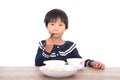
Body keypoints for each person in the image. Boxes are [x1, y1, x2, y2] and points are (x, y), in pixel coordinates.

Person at [35, 9, 105, 70]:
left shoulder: (70, 46)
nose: (56, 28)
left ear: (66, 27)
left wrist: (91, 63)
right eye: (52, 24)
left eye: (60, 25)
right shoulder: (42, 44)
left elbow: (78, 62)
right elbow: (38, 64)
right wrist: (47, 51)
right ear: (46, 26)